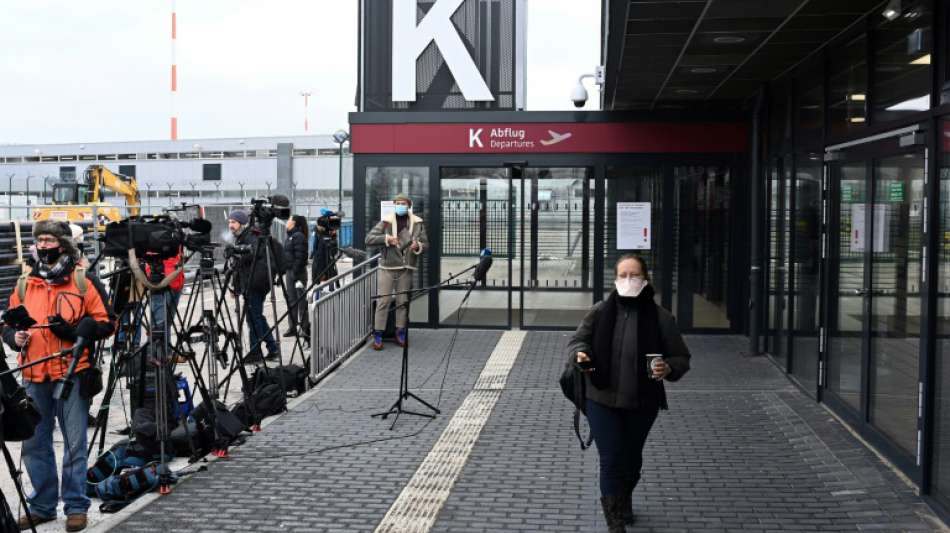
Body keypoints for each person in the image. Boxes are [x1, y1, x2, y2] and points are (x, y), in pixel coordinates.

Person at [2, 221, 114, 532]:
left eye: (49, 240)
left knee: (75, 444)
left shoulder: (83, 281)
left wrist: (76, 332)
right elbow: (6, 324)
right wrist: (13, 338)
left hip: (72, 374)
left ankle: (76, 506)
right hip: (33, 374)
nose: (43, 245)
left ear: (63, 244)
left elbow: (107, 323)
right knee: (34, 444)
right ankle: (42, 506)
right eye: (39, 240)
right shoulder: (25, 283)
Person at [568, 254, 690, 532]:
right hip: (600, 397)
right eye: (622, 275)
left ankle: (623, 499)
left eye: (634, 275)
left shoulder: (661, 318)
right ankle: (615, 524)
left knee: (631, 460)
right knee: (611, 459)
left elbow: (681, 357)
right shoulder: (600, 311)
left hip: (642, 402)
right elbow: (577, 341)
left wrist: (668, 367)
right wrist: (580, 354)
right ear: (615, 279)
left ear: (645, 279)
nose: (628, 280)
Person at [365, 194, 427, 350]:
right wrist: (387, 239)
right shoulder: (386, 221)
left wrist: (418, 246)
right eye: (397, 203)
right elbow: (369, 238)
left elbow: (426, 243)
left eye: (403, 203)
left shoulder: (417, 222)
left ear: (409, 205)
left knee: (402, 302)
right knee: (383, 301)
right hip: (387, 268)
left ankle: (400, 332)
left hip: (406, 268)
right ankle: (378, 334)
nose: (400, 206)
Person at [227, 209, 279, 363]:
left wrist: (236, 252)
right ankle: (272, 348)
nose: (230, 225)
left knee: (253, 318)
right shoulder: (242, 237)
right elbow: (239, 266)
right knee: (257, 317)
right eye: (229, 222)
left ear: (242, 223)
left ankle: (255, 353)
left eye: (233, 222)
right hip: (251, 282)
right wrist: (236, 286)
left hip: (256, 283)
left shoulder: (251, 236)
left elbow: (252, 254)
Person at [283, 215, 310, 339]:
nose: (287, 221)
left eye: (289, 219)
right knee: (291, 300)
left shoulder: (298, 236)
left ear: (293, 222)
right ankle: (292, 327)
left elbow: (301, 256)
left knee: (301, 302)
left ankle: (305, 328)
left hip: (298, 273)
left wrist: (294, 272)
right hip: (290, 272)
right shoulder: (290, 236)